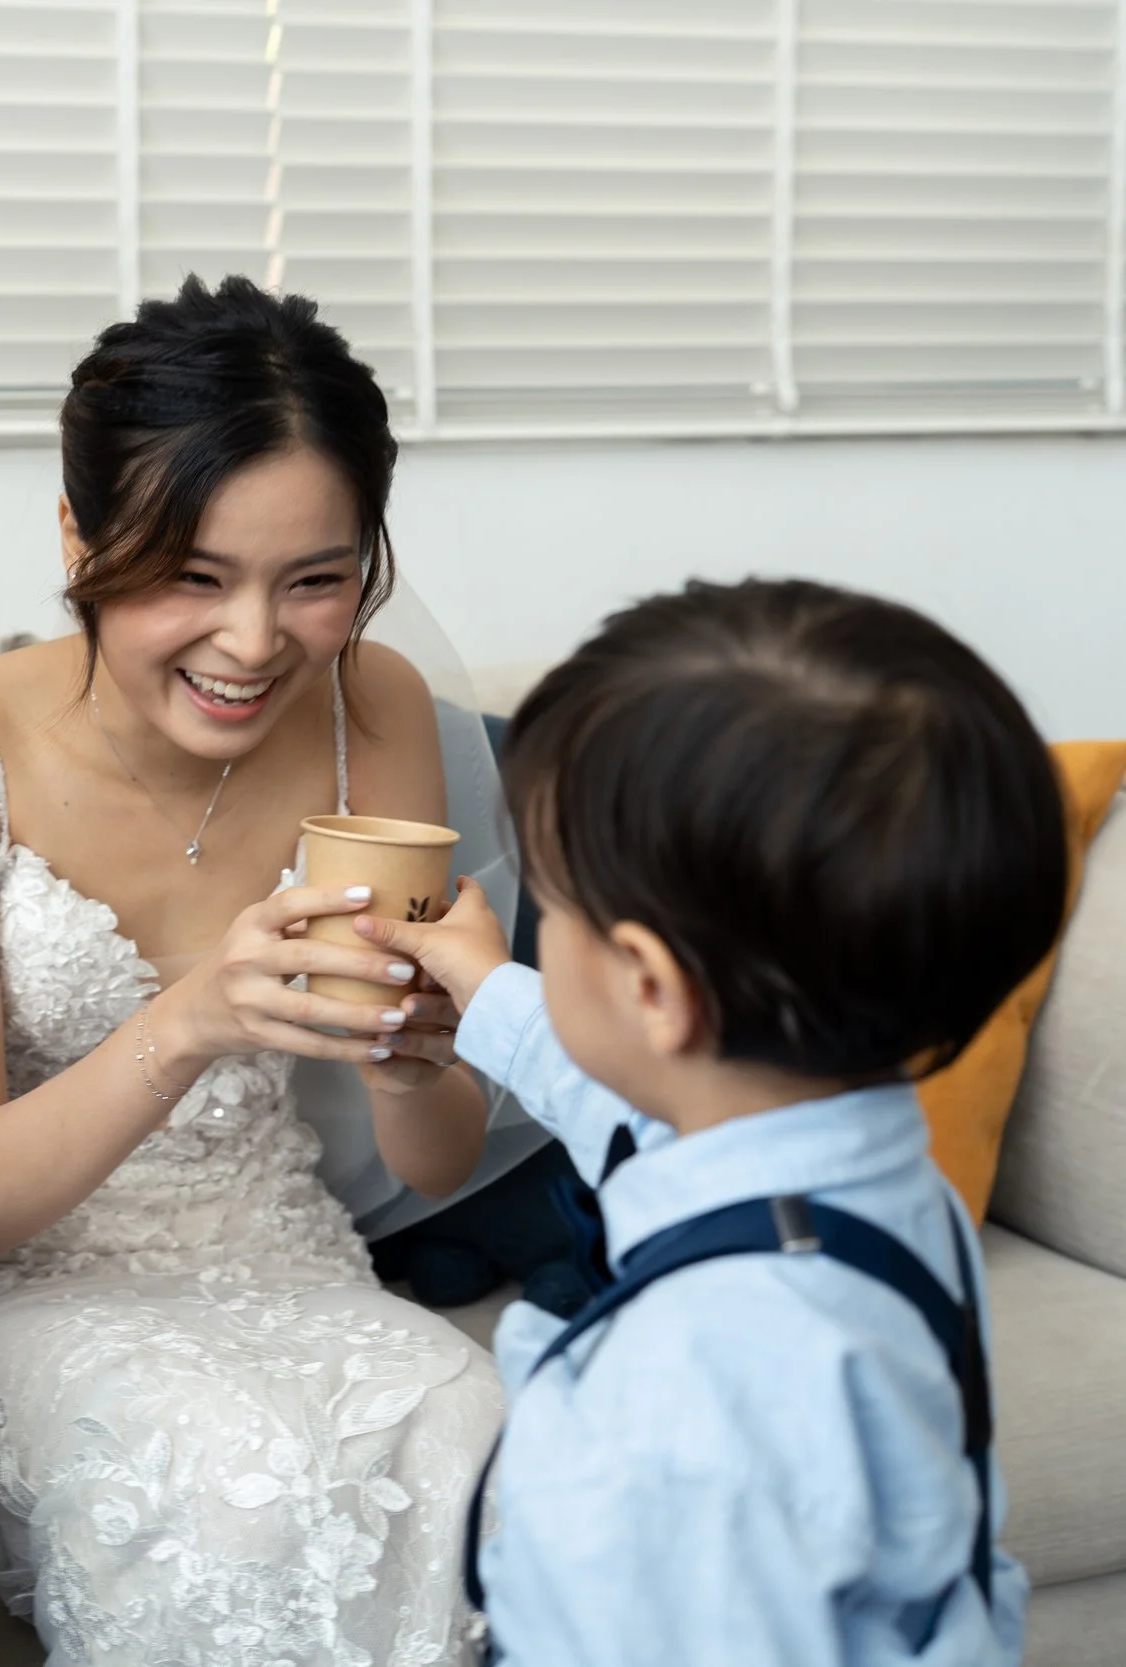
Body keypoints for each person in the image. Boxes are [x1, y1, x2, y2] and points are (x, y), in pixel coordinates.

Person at [0, 275, 507, 1666]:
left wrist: (426, 1035)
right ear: (79, 534)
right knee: (215, 1461)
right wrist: (194, 1016)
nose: (255, 641)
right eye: (192, 576)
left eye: (314, 579)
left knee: (459, 1410)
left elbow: (435, 1160)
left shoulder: (370, 702)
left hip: (278, 1249)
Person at [359, 578, 1056, 1664]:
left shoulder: (700, 1380)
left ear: (647, 985)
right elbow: (627, 1104)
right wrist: (487, 984)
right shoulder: (862, 1176)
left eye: (556, 902)